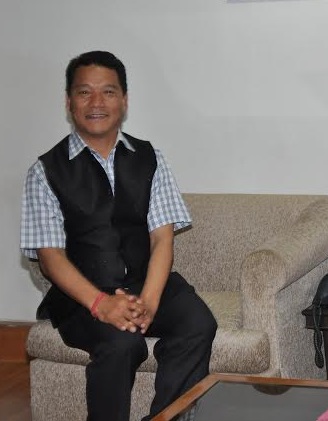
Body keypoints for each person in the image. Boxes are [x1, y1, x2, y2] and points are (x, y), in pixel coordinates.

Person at [20, 51, 217, 421]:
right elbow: (51, 258)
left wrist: (151, 301)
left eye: (108, 92)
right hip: (81, 297)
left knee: (197, 322)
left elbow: (161, 239)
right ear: (68, 101)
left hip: (145, 284)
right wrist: (101, 305)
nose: (96, 103)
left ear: (124, 101)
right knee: (121, 342)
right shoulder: (45, 171)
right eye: (84, 92)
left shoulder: (149, 157)